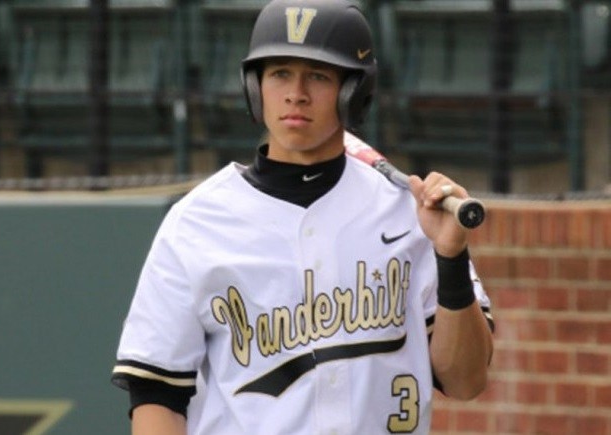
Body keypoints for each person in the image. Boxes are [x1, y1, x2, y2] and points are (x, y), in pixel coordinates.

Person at [111, 0, 494, 434]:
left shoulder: (407, 213)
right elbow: (157, 394)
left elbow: (466, 381)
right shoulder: (196, 223)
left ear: (353, 91)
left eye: (318, 75)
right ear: (255, 86)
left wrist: (450, 256)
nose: (296, 93)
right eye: (279, 73)